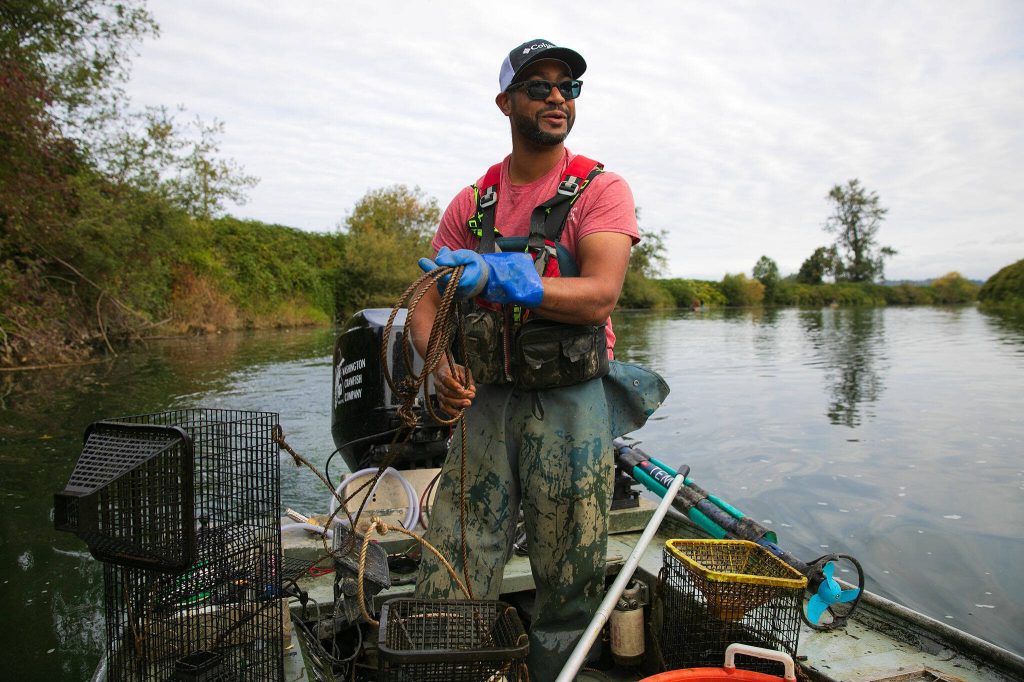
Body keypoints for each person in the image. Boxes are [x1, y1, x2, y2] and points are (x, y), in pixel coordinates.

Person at [410, 39, 667, 680]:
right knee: (456, 557)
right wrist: (438, 368)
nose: (557, 96)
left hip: (573, 405)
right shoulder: (471, 204)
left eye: (567, 87)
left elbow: (601, 294)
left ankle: (559, 667)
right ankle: (451, 667)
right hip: (486, 404)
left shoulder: (601, 188)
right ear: (506, 102)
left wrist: (511, 281)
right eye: (538, 85)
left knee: (570, 567)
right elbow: (420, 304)